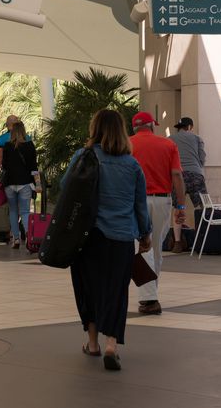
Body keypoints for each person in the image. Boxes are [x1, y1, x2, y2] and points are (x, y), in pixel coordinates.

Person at [65, 109, 152, 372]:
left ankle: (92, 343)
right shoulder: (132, 164)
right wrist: (145, 234)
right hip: (121, 237)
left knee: (88, 288)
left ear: (95, 129)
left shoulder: (84, 157)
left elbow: (66, 185)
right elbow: (140, 205)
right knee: (115, 291)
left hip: (88, 237)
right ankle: (112, 344)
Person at [131, 112, 185, 315]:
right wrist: (181, 207)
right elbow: (177, 175)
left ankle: (149, 297)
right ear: (152, 126)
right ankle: (151, 295)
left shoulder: (127, 145)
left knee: (142, 247)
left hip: (136, 202)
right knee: (155, 249)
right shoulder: (168, 145)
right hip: (162, 200)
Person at [169, 116, 206, 252]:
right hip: (195, 174)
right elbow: (202, 159)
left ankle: (177, 242)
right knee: (202, 207)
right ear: (190, 127)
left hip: (177, 176)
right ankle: (202, 240)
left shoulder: (170, 140)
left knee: (178, 208)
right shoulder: (197, 138)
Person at [1, 120, 39, 248]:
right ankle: (29, 237)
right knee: (25, 212)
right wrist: (37, 183)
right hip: (25, 183)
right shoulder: (29, 146)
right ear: (23, 131)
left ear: (12, 132)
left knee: (13, 211)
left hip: (10, 184)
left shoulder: (7, 146)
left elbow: (4, 165)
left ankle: (16, 239)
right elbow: (34, 167)